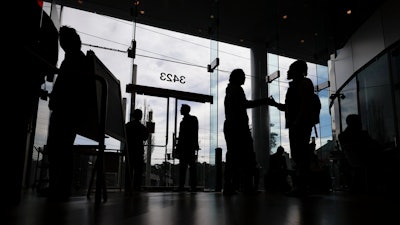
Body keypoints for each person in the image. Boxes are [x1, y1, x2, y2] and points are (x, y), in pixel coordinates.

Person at [46, 26, 90, 201]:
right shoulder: (80, 59)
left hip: (64, 111)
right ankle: (61, 188)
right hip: (72, 112)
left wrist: (54, 100)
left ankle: (58, 187)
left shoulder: (72, 60)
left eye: (62, 39)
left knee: (58, 148)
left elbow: (65, 87)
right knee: (64, 149)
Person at [268, 59, 318, 196]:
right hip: (297, 124)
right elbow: (291, 108)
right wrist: (276, 104)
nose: (288, 71)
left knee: (300, 154)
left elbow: (304, 105)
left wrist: (297, 121)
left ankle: (302, 187)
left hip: (299, 124)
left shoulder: (303, 84)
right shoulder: (297, 85)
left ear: (298, 71)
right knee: (298, 155)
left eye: (291, 69)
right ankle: (302, 187)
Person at [223, 68, 270, 195]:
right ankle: (247, 186)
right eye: (243, 76)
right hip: (238, 127)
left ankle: (230, 185)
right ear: (237, 77)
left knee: (233, 156)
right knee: (247, 155)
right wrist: (264, 101)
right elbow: (245, 104)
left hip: (231, 126)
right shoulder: (236, 89)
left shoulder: (230, 90)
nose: (244, 78)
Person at [338, 114, 382, 193]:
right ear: (356, 123)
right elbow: (375, 145)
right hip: (365, 159)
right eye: (359, 122)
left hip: (353, 162)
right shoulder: (362, 135)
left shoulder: (342, 136)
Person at [176, 104, 200, 192]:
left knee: (183, 167)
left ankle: (182, 186)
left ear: (185, 110)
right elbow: (195, 133)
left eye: (181, 109)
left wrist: (178, 147)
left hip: (185, 147)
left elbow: (181, 135)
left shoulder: (183, 122)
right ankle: (193, 186)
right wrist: (196, 144)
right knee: (192, 167)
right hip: (190, 146)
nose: (180, 110)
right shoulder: (193, 119)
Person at [125, 109, 149, 193]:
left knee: (129, 170)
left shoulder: (128, 125)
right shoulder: (142, 127)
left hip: (129, 150)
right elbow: (145, 137)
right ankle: (136, 187)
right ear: (140, 116)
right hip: (138, 150)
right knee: (138, 171)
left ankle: (128, 187)